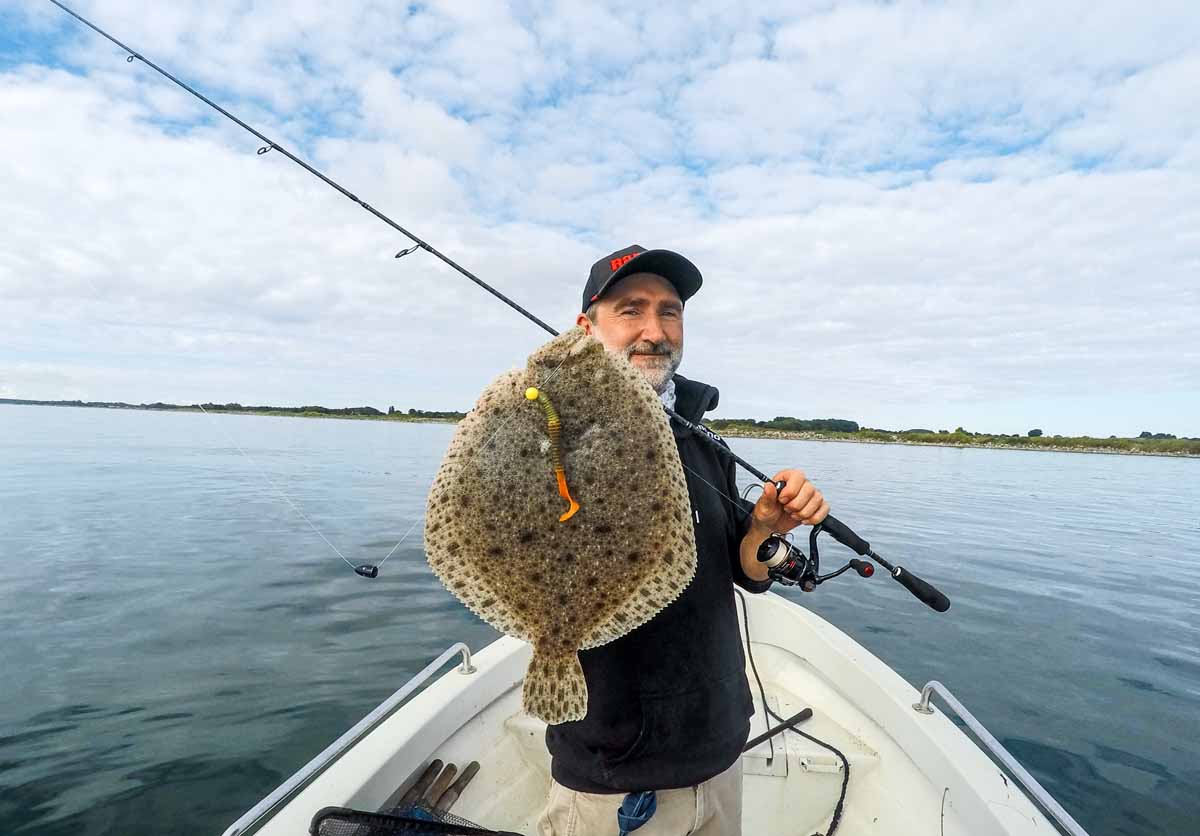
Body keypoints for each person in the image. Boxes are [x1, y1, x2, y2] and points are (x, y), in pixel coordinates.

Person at [536, 245, 830, 836]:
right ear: (586, 327)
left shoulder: (703, 439)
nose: (654, 330)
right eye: (631, 310)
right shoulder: (553, 431)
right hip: (614, 766)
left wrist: (765, 528)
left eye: (670, 312)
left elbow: (742, 571)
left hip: (718, 745)